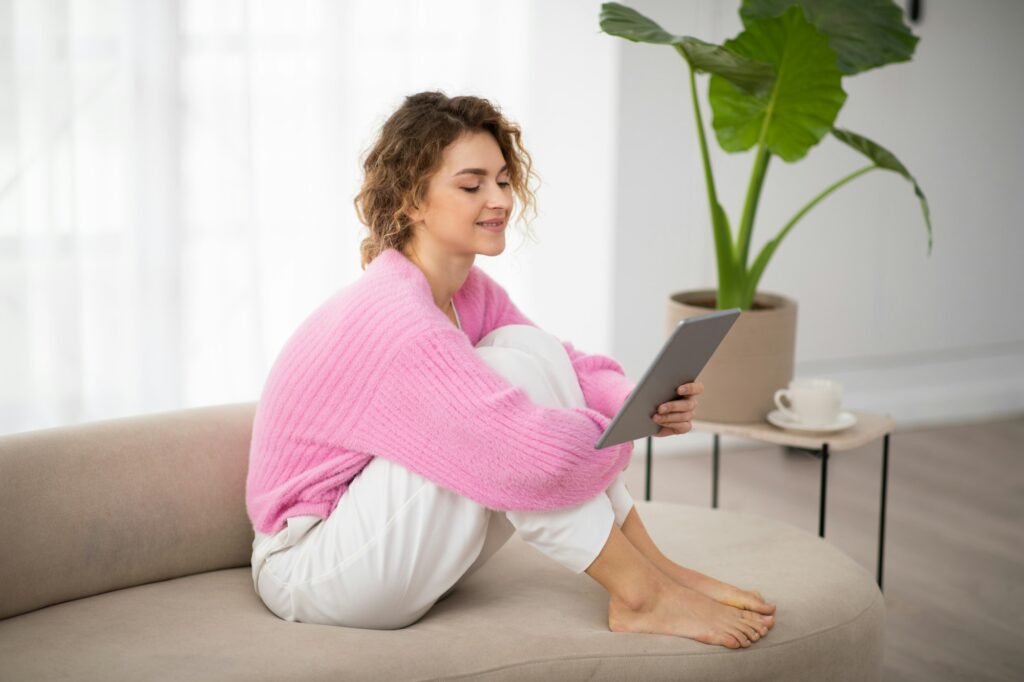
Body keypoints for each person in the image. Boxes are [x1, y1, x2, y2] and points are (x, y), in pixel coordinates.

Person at [246, 91, 776, 649]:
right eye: (471, 185)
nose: (498, 198)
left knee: (527, 349)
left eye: (503, 179)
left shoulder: (468, 292)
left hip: (377, 541)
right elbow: (530, 458)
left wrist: (638, 403)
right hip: (310, 567)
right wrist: (615, 435)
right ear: (411, 202)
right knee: (513, 388)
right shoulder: (398, 320)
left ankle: (655, 569)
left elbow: (566, 363)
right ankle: (641, 594)